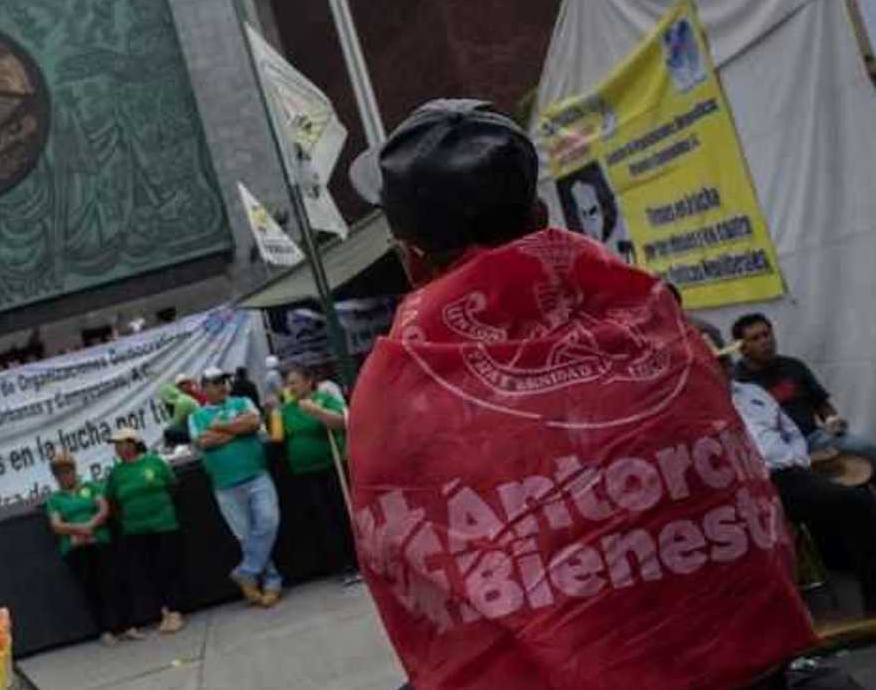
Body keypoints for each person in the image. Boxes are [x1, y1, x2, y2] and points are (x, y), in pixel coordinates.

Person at [344, 98, 812, 690]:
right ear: (542, 216)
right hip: (751, 660)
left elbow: (416, 586)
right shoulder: (658, 318)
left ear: (412, 260)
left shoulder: (396, 389)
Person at [725, 343, 876, 616]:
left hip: (788, 473)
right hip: (743, 485)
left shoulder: (752, 392)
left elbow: (791, 432)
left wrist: (799, 459)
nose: (723, 366)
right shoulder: (700, 403)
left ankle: (865, 596)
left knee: (858, 499)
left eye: (725, 359)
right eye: (716, 361)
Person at [189, 366, 283, 607]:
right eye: (215, 383)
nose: (222, 386)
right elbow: (204, 442)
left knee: (268, 522)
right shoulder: (196, 416)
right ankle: (270, 582)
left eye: (223, 381)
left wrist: (219, 426)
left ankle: (246, 572)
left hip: (256, 474)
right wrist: (236, 429)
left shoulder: (243, 402)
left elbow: (253, 422)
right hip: (225, 485)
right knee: (246, 536)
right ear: (204, 388)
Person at [733, 313, 876, 470]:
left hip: (812, 439)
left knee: (864, 448)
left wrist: (832, 420)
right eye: (755, 338)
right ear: (742, 348)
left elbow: (821, 403)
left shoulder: (793, 366)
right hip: (774, 452)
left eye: (767, 334)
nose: (765, 341)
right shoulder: (737, 381)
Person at [45, 451, 138, 646]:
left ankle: (128, 626)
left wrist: (91, 525)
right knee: (91, 588)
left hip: (99, 540)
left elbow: (103, 509)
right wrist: (79, 529)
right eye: (59, 473)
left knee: (113, 581)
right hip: (75, 547)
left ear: (74, 470)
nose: (64, 476)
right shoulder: (55, 499)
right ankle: (105, 630)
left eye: (67, 471)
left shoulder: (91, 487)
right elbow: (56, 525)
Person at [277, 365, 358, 581]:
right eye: (288, 383)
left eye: (295, 382)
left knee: (342, 514)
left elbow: (343, 422)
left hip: (332, 467)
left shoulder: (324, 399)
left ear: (308, 381)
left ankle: (356, 560)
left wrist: (317, 412)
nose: (291, 387)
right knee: (323, 519)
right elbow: (278, 436)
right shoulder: (287, 409)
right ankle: (340, 565)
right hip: (305, 472)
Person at [104, 428, 187, 634]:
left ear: (133, 443)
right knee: (150, 571)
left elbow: (172, 486)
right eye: (116, 445)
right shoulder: (116, 473)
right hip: (135, 530)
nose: (118, 448)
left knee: (168, 566)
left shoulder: (155, 462)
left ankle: (175, 611)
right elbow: (112, 501)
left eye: (122, 443)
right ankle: (164, 612)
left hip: (164, 524)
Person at [158, 378, 201, 447]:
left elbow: (175, 423)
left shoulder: (181, 402)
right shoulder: (181, 398)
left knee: (169, 432)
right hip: (195, 427)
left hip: (198, 429)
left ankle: (172, 449)